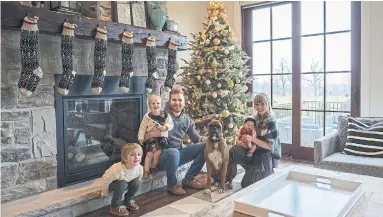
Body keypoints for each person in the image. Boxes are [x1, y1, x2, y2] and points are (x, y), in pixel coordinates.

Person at [143, 87, 206, 195]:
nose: (177, 103)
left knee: (206, 146)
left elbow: (196, 138)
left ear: (184, 102)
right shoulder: (160, 115)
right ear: (169, 101)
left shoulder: (186, 119)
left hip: (179, 154)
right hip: (162, 156)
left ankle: (189, 179)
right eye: (174, 100)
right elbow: (145, 136)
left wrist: (207, 139)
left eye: (180, 100)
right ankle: (172, 185)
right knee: (173, 152)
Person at [229, 93, 281, 189]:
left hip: (265, 156)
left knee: (246, 185)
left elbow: (269, 146)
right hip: (253, 151)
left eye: (262, 104)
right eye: (257, 104)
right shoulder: (253, 118)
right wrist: (241, 138)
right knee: (234, 150)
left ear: (268, 104)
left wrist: (252, 139)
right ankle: (231, 177)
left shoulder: (272, 123)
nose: (259, 107)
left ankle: (265, 172)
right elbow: (244, 133)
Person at [100, 143, 143, 216]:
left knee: (137, 182)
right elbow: (105, 180)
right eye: (132, 155)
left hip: (126, 181)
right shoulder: (117, 170)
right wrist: (104, 192)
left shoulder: (139, 168)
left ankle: (128, 201)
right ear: (125, 158)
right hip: (113, 183)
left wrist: (134, 185)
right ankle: (115, 206)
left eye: (139, 154)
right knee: (122, 184)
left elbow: (139, 177)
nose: (137, 157)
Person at [138, 94, 174, 179]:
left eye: (158, 103)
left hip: (162, 139)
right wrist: (140, 137)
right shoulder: (147, 117)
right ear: (149, 105)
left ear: (161, 104)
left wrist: (165, 127)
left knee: (157, 153)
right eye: (153, 103)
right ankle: (146, 170)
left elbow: (171, 124)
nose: (156, 105)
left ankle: (153, 167)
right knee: (149, 154)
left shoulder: (165, 115)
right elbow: (142, 128)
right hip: (152, 139)